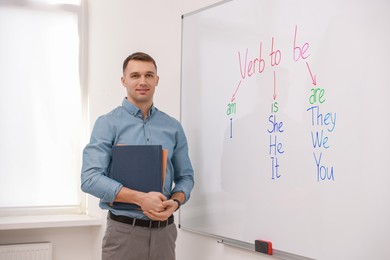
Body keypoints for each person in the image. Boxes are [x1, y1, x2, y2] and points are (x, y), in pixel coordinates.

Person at [81, 52, 195, 260]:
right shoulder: (107, 124)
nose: (143, 81)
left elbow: (185, 177)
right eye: (135, 76)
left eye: (149, 75)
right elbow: (90, 179)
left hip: (165, 235)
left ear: (157, 80)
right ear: (123, 80)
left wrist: (175, 202)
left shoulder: (172, 127)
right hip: (124, 233)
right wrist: (141, 199)